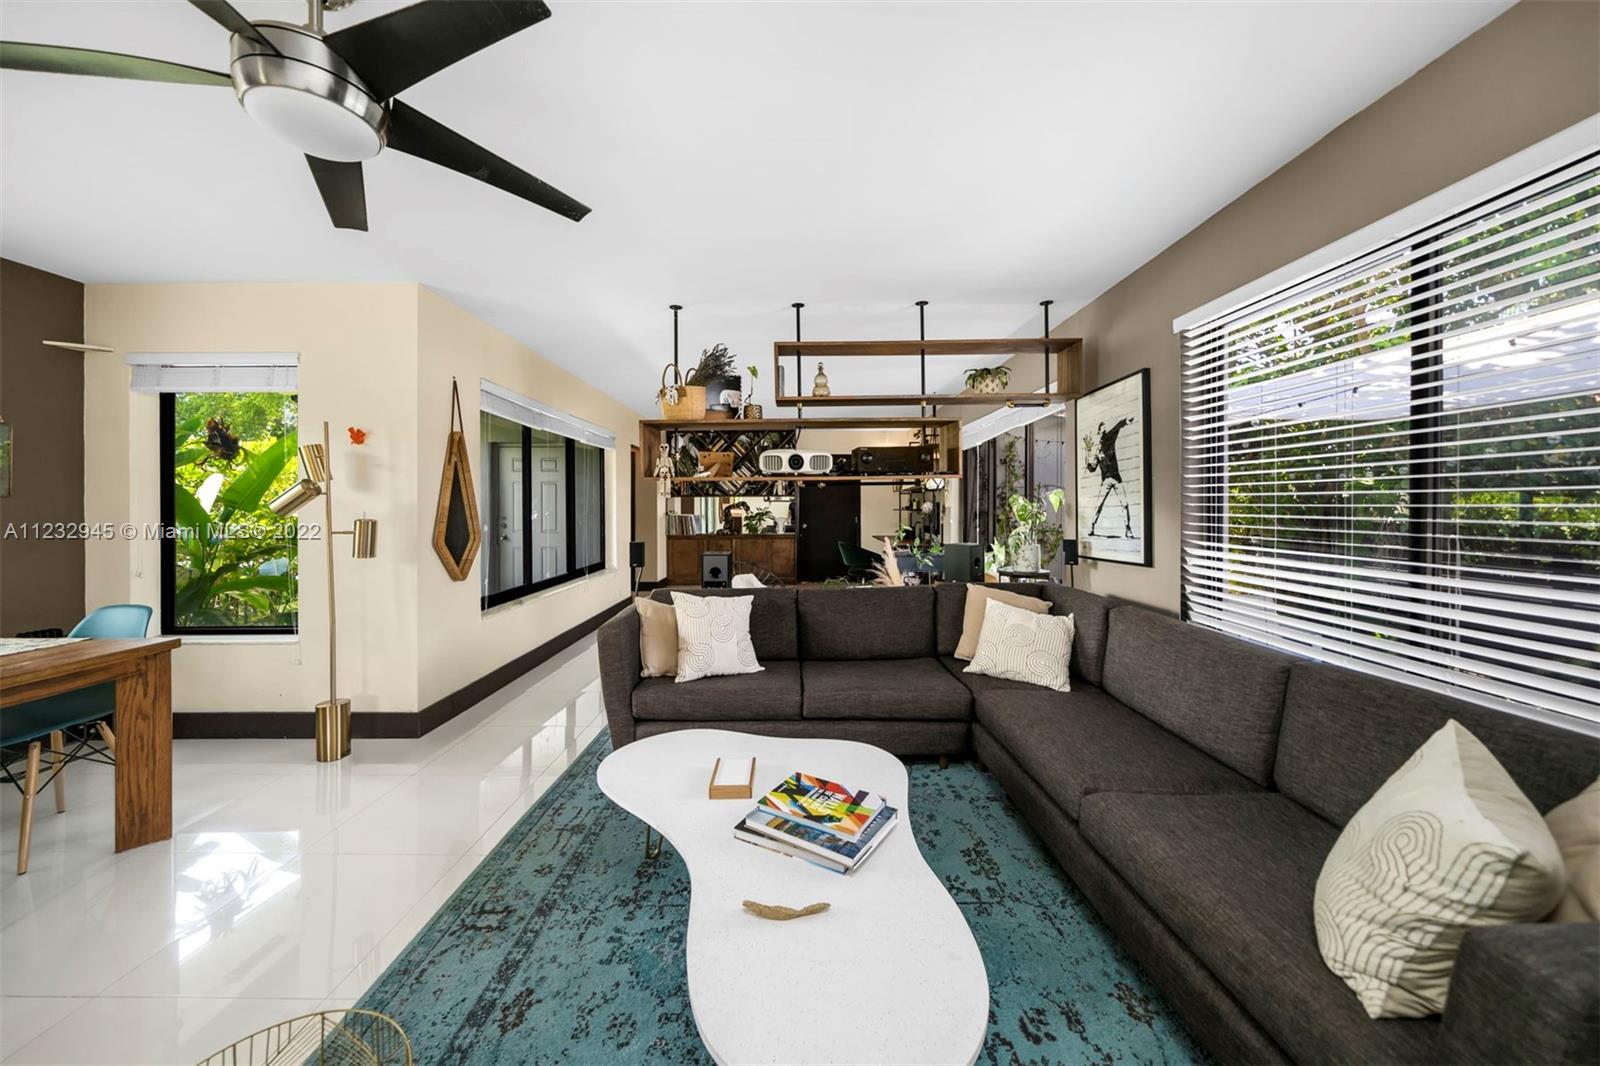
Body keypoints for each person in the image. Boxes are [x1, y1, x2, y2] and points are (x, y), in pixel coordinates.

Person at [1085, 415, 1136, 539]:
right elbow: (1092, 469)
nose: (1103, 432)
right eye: (1101, 430)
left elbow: (1116, 428)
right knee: (1099, 505)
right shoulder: (1097, 453)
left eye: (1104, 430)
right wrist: (1088, 460)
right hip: (1106, 481)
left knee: (1125, 504)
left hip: (1116, 478)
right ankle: (1092, 526)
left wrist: (1125, 422)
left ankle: (1128, 529)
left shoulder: (1109, 440)